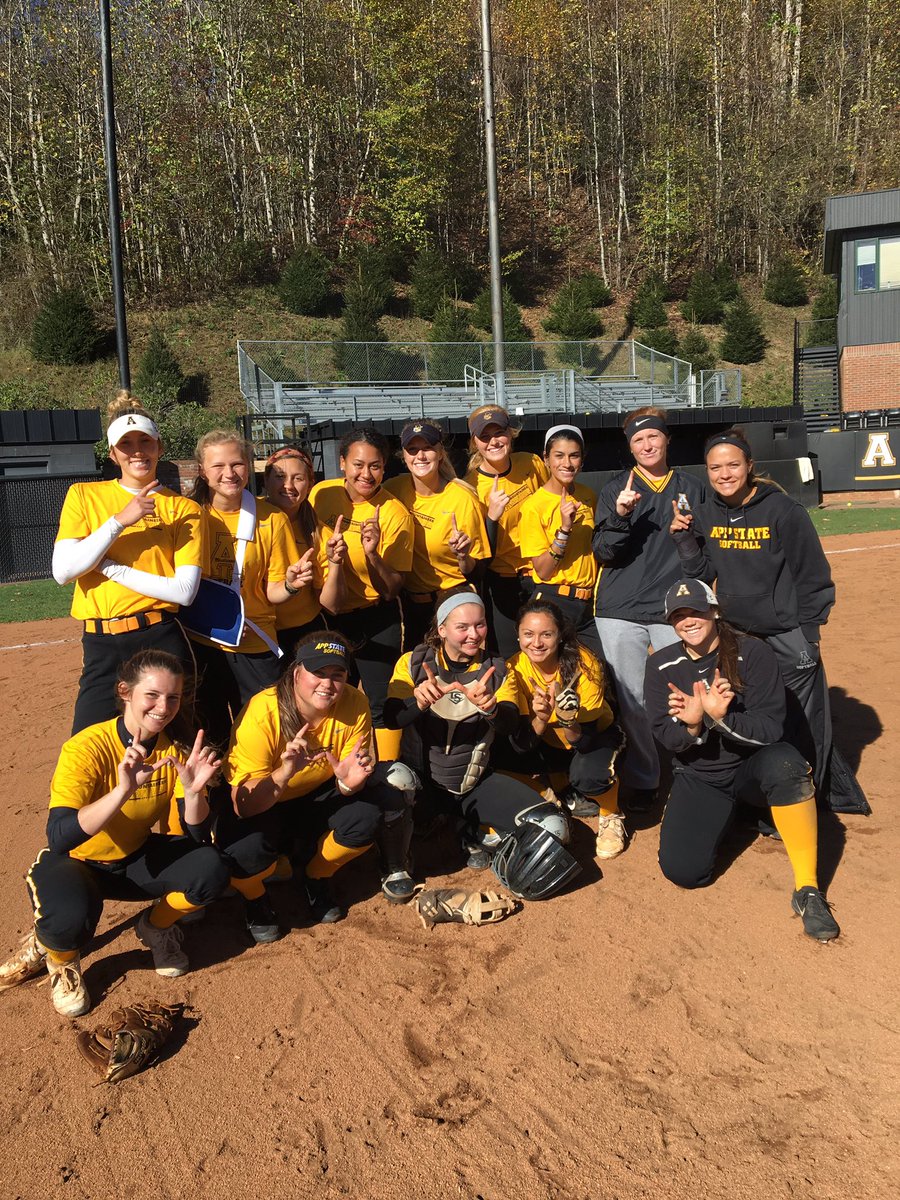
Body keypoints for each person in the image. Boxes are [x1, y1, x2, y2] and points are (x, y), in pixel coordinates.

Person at [0, 650, 229, 1016]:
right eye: (152, 695)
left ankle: (155, 927)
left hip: (133, 859)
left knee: (211, 868)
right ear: (125, 691)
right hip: (77, 863)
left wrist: (194, 792)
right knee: (68, 922)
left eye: (172, 697)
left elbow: (197, 837)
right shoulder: (87, 746)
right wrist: (121, 791)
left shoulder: (176, 750)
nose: (163, 707)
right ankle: (58, 955)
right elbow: (60, 838)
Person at [643, 579, 840, 942]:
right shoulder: (660, 666)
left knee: (786, 765)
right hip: (701, 775)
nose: (689, 620)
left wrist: (721, 718)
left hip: (753, 767)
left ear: (714, 611)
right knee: (683, 872)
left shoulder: (753, 652)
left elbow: (770, 729)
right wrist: (694, 725)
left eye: (697, 610)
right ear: (671, 622)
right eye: (679, 615)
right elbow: (666, 736)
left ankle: (808, 890)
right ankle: (735, 816)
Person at [669, 427, 836, 800]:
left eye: (732, 465)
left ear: (750, 466)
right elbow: (700, 574)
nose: (724, 474)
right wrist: (683, 540)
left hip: (786, 633)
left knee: (801, 721)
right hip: (738, 634)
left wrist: (809, 634)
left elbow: (813, 576)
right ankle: (765, 796)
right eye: (715, 467)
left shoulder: (783, 510)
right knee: (751, 716)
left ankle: (810, 798)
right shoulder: (707, 512)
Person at [383, 589, 579, 895]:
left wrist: (491, 708)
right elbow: (393, 717)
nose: (473, 635)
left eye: (480, 625)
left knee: (554, 825)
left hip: (473, 786)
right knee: (395, 780)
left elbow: (511, 726)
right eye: (462, 627)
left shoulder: (499, 671)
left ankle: (472, 829)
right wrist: (417, 702)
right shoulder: (413, 662)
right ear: (442, 629)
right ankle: (396, 867)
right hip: (424, 789)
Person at [215, 634, 410, 935]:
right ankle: (256, 899)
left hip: (315, 796)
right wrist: (283, 772)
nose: (328, 684)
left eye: (337, 674)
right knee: (243, 851)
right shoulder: (262, 713)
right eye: (318, 673)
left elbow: (351, 774)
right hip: (264, 803)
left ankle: (315, 876)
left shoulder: (354, 702)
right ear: (296, 673)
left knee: (369, 814)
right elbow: (244, 806)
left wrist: (347, 785)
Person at [52, 392, 202, 734]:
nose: (137, 451)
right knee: (87, 741)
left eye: (145, 442)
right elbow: (63, 571)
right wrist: (120, 521)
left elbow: (183, 591)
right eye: (126, 444)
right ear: (112, 453)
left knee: (173, 737)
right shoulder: (83, 495)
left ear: (159, 448)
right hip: (101, 642)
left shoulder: (183, 509)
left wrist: (107, 566)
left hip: (158, 635)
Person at [592, 408, 706, 811]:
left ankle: (695, 770)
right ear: (630, 446)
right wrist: (621, 515)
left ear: (666, 440)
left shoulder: (693, 486)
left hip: (674, 610)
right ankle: (644, 779)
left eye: (653, 437)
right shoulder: (616, 488)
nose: (647, 445)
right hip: (620, 609)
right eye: (638, 440)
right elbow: (604, 553)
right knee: (633, 700)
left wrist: (686, 534)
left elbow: (703, 557)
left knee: (689, 691)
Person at [184, 431, 314, 751]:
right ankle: (219, 801)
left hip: (254, 644)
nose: (229, 474)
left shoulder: (271, 519)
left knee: (265, 738)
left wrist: (291, 585)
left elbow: (272, 592)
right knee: (209, 737)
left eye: (237, 463)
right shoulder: (187, 515)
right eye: (218, 466)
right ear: (202, 470)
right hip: (203, 646)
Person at [497, 598, 627, 858]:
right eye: (528, 634)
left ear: (559, 636)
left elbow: (586, 741)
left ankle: (610, 813)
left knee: (587, 774)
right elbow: (522, 742)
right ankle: (552, 792)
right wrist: (542, 718)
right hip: (548, 741)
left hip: (592, 738)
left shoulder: (585, 664)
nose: (536, 643)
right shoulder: (512, 668)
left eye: (546, 634)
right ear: (518, 635)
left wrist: (568, 719)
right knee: (494, 760)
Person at [309, 428, 414, 729]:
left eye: (375, 466)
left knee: (381, 705)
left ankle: (389, 772)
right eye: (358, 464)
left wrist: (373, 556)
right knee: (328, 699)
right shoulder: (322, 494)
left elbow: (393, 589)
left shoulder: (394, 513)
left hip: (375, 618)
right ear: (342, 462)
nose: (366, 474)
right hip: (328, 616)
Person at [384, 420, 490, 650]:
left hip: (454, 603)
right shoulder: (393, 490)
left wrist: (463, 556)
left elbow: (478, 570)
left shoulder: (462, 498)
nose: (420, 456)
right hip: (413, 607)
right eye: (412, 450)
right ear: (403, 455)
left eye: (428, 448)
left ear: (440, 452)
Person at [464, 405, 547, 657]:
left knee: (548, 652)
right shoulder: (470, 486)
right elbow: (479, 552)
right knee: (508, 659)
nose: (493, 441)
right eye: (484, 436)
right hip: (502, 582)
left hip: (542, 575)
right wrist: (492, 516)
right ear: (475, 442)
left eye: (499, 432)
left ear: (510, 433)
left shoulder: (531, 463)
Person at [518, 425, 601, 658]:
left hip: (588, 604)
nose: (567, 463)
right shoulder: (534, 506)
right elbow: (543, 571)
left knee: (600, 673)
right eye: (559, 455)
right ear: (546, 458)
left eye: (574, 455)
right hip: (554, 601)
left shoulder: (588, 496)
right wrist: (564, 530)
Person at [262, 445, 335, 658]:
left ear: (310, 483)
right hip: (254, 630)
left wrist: (336, 562)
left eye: (298, 478)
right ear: (265, 481)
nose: (288, 486)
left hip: (302, 631)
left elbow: (329, 603)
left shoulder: (320, 534)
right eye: (280, 476)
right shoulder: (249, 517)